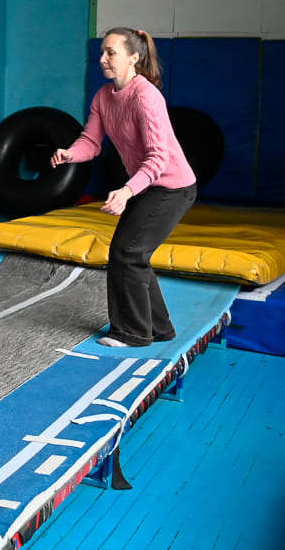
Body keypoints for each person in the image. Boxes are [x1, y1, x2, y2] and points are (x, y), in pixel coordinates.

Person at [50, 28, 197, 348]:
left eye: (111, 52)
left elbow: (158, 157)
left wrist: (127, 191)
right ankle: (159, 328)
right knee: (133, 253)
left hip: (172, 187)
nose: (102, 58)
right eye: (101, 52)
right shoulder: (104, 96)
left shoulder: (145, 96)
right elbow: (91, 141)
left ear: (133, 58)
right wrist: (71, 154)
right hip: (147, 186)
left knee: (128, 252)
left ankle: (132, 332)